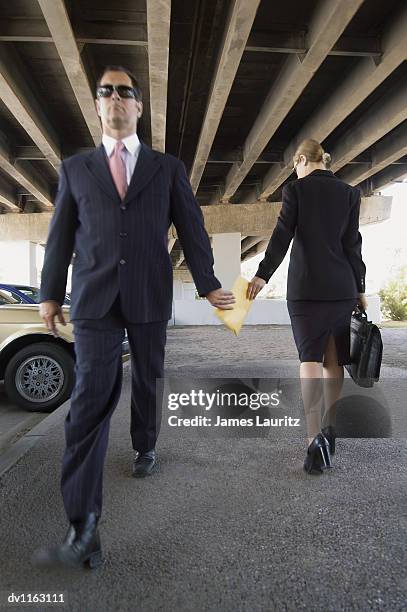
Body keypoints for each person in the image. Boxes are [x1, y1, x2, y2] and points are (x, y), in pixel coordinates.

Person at [34, 65, 235, 569]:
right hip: (95, 300)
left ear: (139, 107)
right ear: (98, 105)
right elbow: (60, 236)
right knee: (88, 402)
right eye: (107, 91)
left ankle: (145, 446)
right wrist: (49, 293)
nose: (117, 98)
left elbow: (192, 227)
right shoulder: (75, 169)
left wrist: (208, 283)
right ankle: (83, 525)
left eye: (126, 91)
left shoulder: (166, 168)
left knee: (149, 378)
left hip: (148, 295)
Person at [247, 138, 367, 475]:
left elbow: (282, 235)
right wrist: (360, 287)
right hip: (342, 288)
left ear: (301, 159)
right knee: (334, 362)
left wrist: (261, 275)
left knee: (309, 360)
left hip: (306, 291)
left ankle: (314, 440)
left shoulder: (296, 191)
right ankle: (331, 428)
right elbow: (352, 245)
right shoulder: (350, 194)